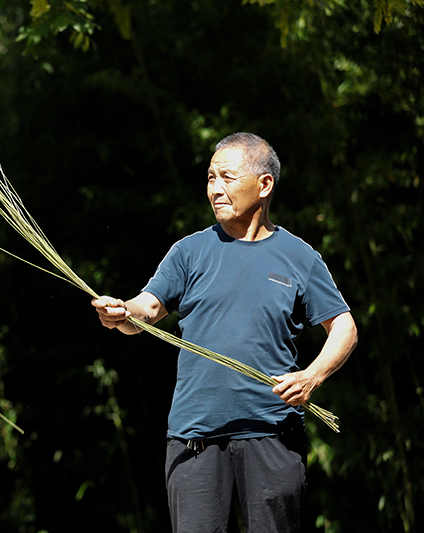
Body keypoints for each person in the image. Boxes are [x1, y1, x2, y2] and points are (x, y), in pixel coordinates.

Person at [92, 132, 358, 533]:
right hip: (193, 440)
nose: (215, 189)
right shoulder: (189, 251)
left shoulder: (299, 256)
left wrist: (311, 376)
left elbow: (344, 327)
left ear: (264, 184)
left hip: (273, 435)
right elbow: (147, 308)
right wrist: (122, 310)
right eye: (210, 177)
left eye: (227, 178)